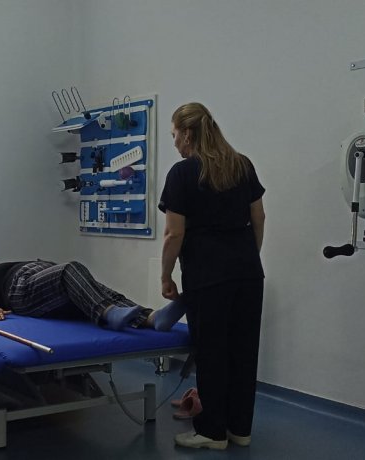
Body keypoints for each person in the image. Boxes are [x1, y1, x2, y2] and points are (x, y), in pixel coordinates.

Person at [159, 102, 266, 450]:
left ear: (188, 134)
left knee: (212, 353)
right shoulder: (242, 165)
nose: (175, 142)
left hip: (207, 276)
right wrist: (248, 257)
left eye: (175, 135)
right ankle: (239, 429)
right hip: (248, 274)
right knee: (243, 353)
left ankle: (211, 432)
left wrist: (165, 276)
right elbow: (259, 217)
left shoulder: (182, 173)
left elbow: (174, 233)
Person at [0, 257, 184, 331]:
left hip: (45, 288)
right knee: (68, 269)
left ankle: (152, 318)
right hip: (21, 292)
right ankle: (109, 314)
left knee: (101, 290)